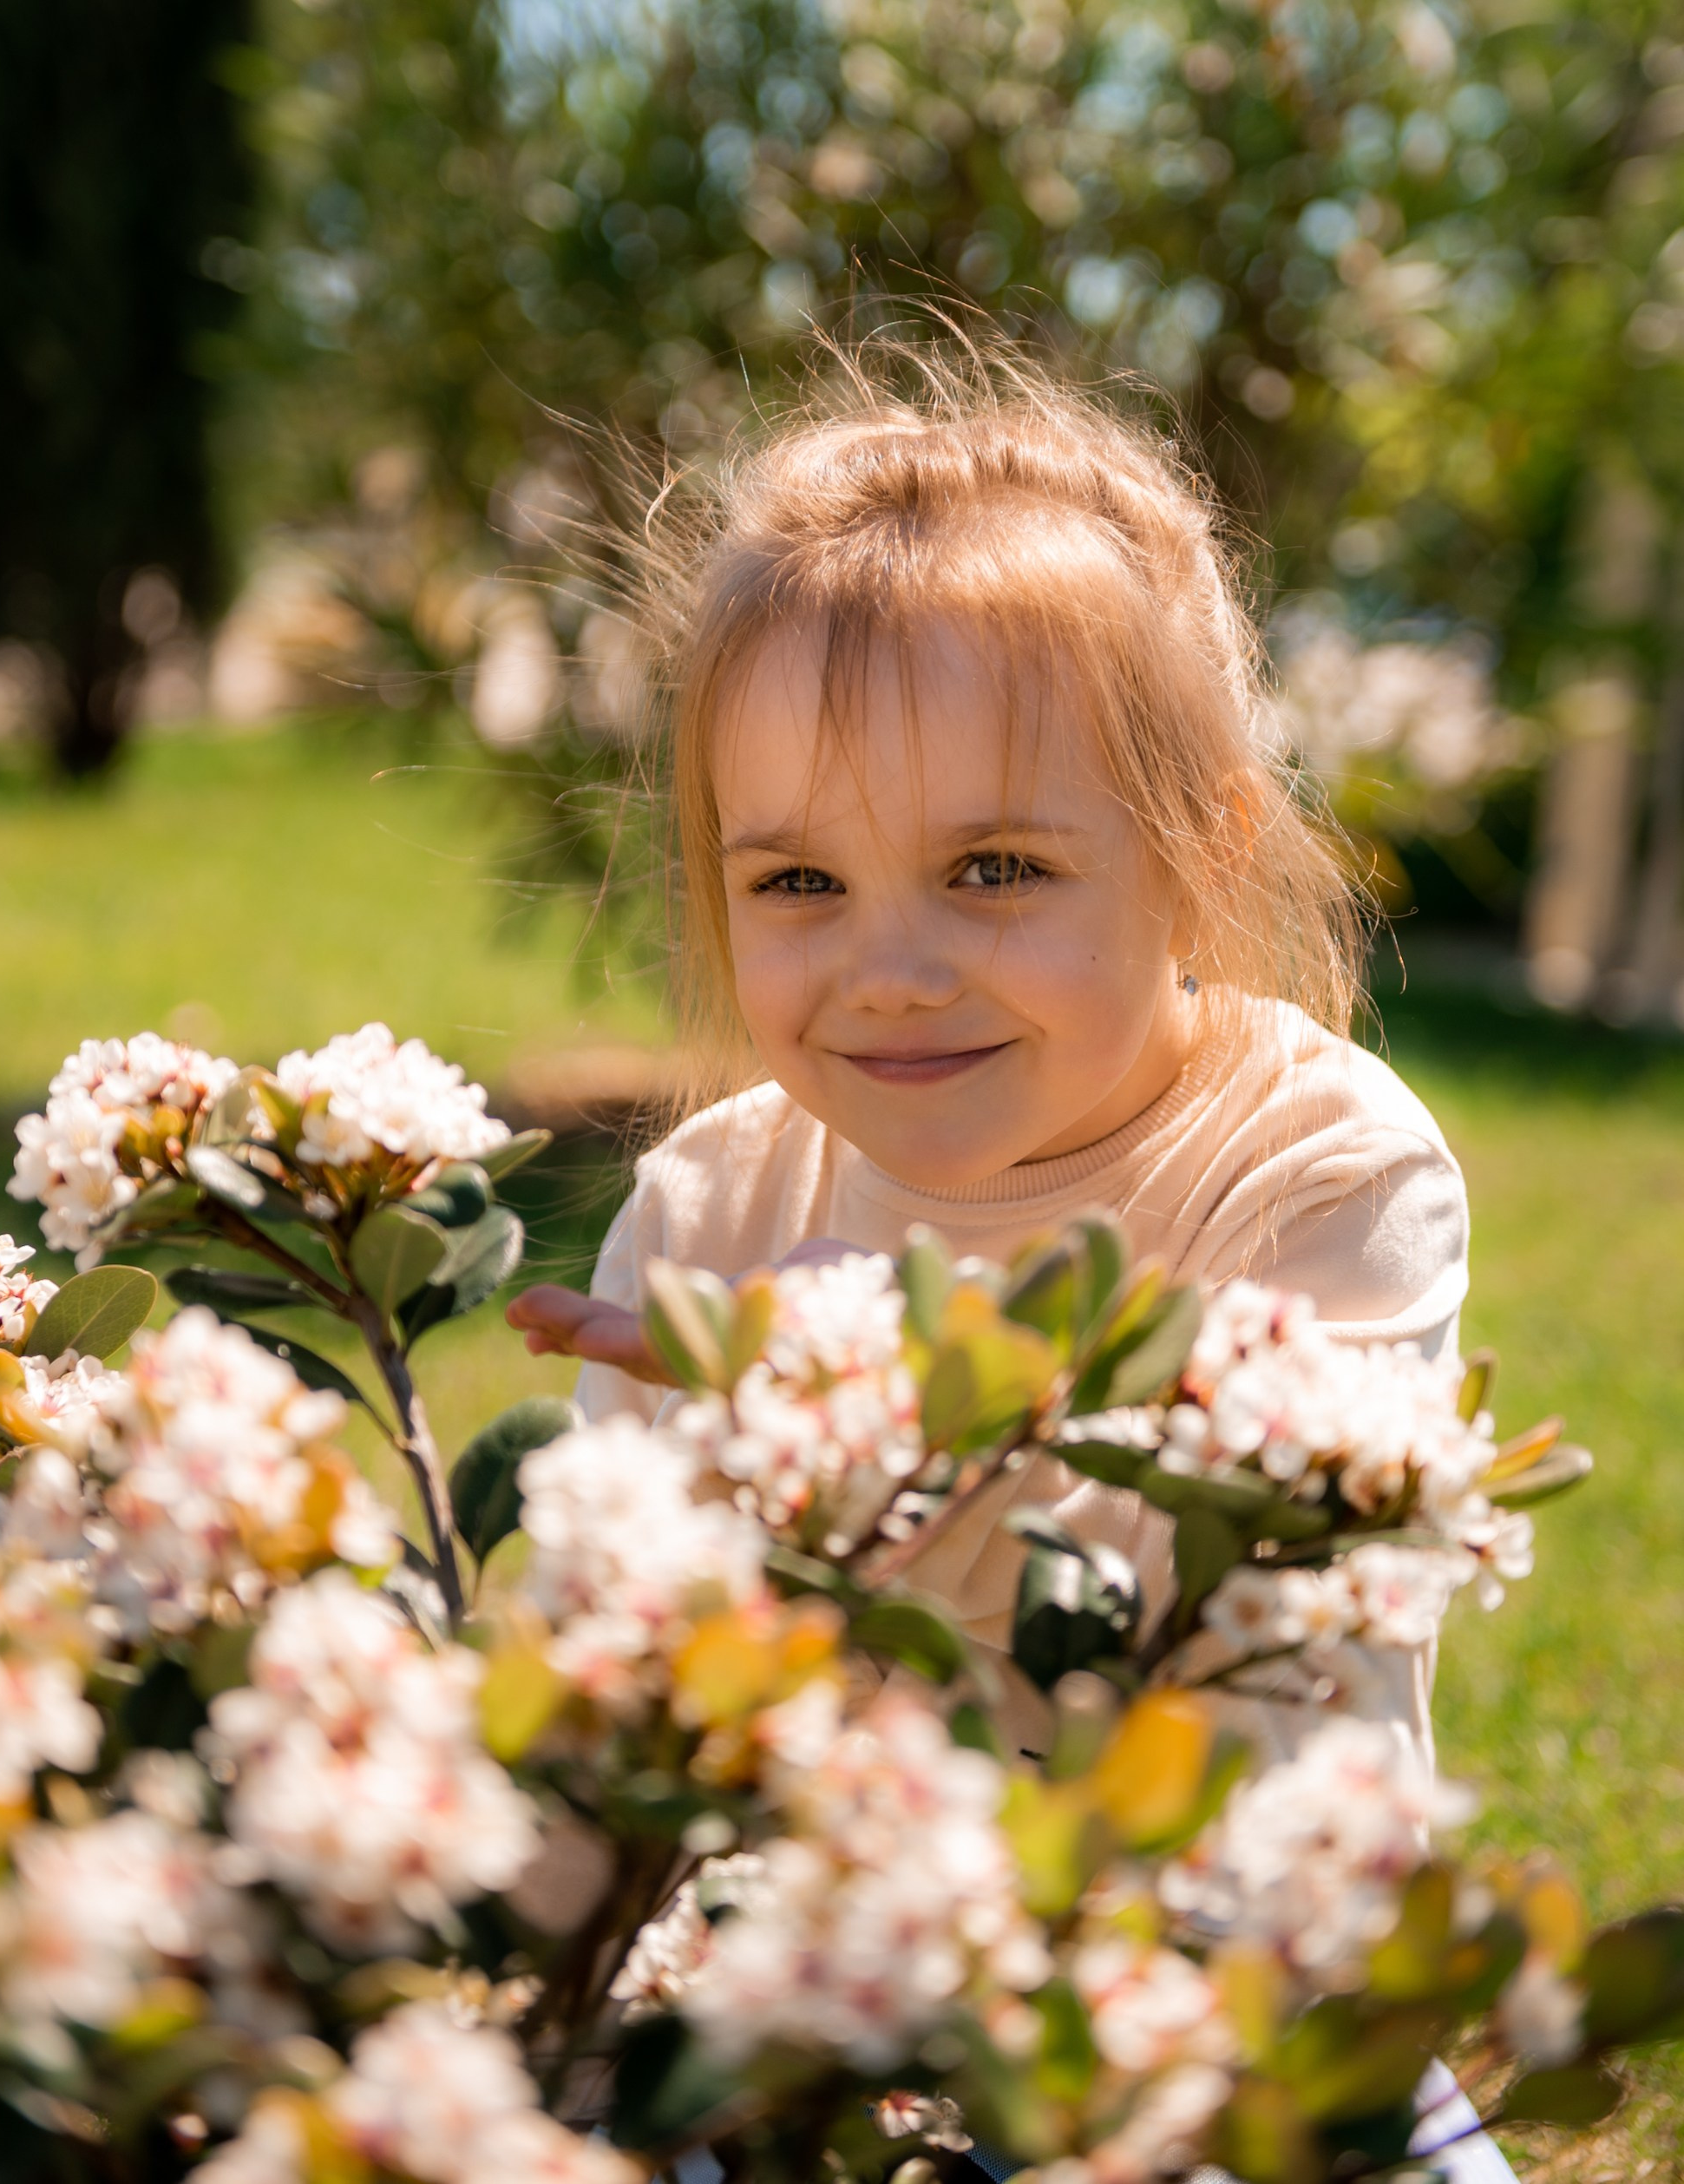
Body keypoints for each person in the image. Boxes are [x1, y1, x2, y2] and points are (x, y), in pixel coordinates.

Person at [509, 340, 1513, 2181]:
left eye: (990, 867)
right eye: (797, 882)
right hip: (807, 1995)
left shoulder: (1317, 1173)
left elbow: (1260, 1742)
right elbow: (617, 1780)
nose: (887, 966)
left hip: (1218, 2011)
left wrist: (877, 1464)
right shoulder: (717, 1202)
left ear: (1199, 849)